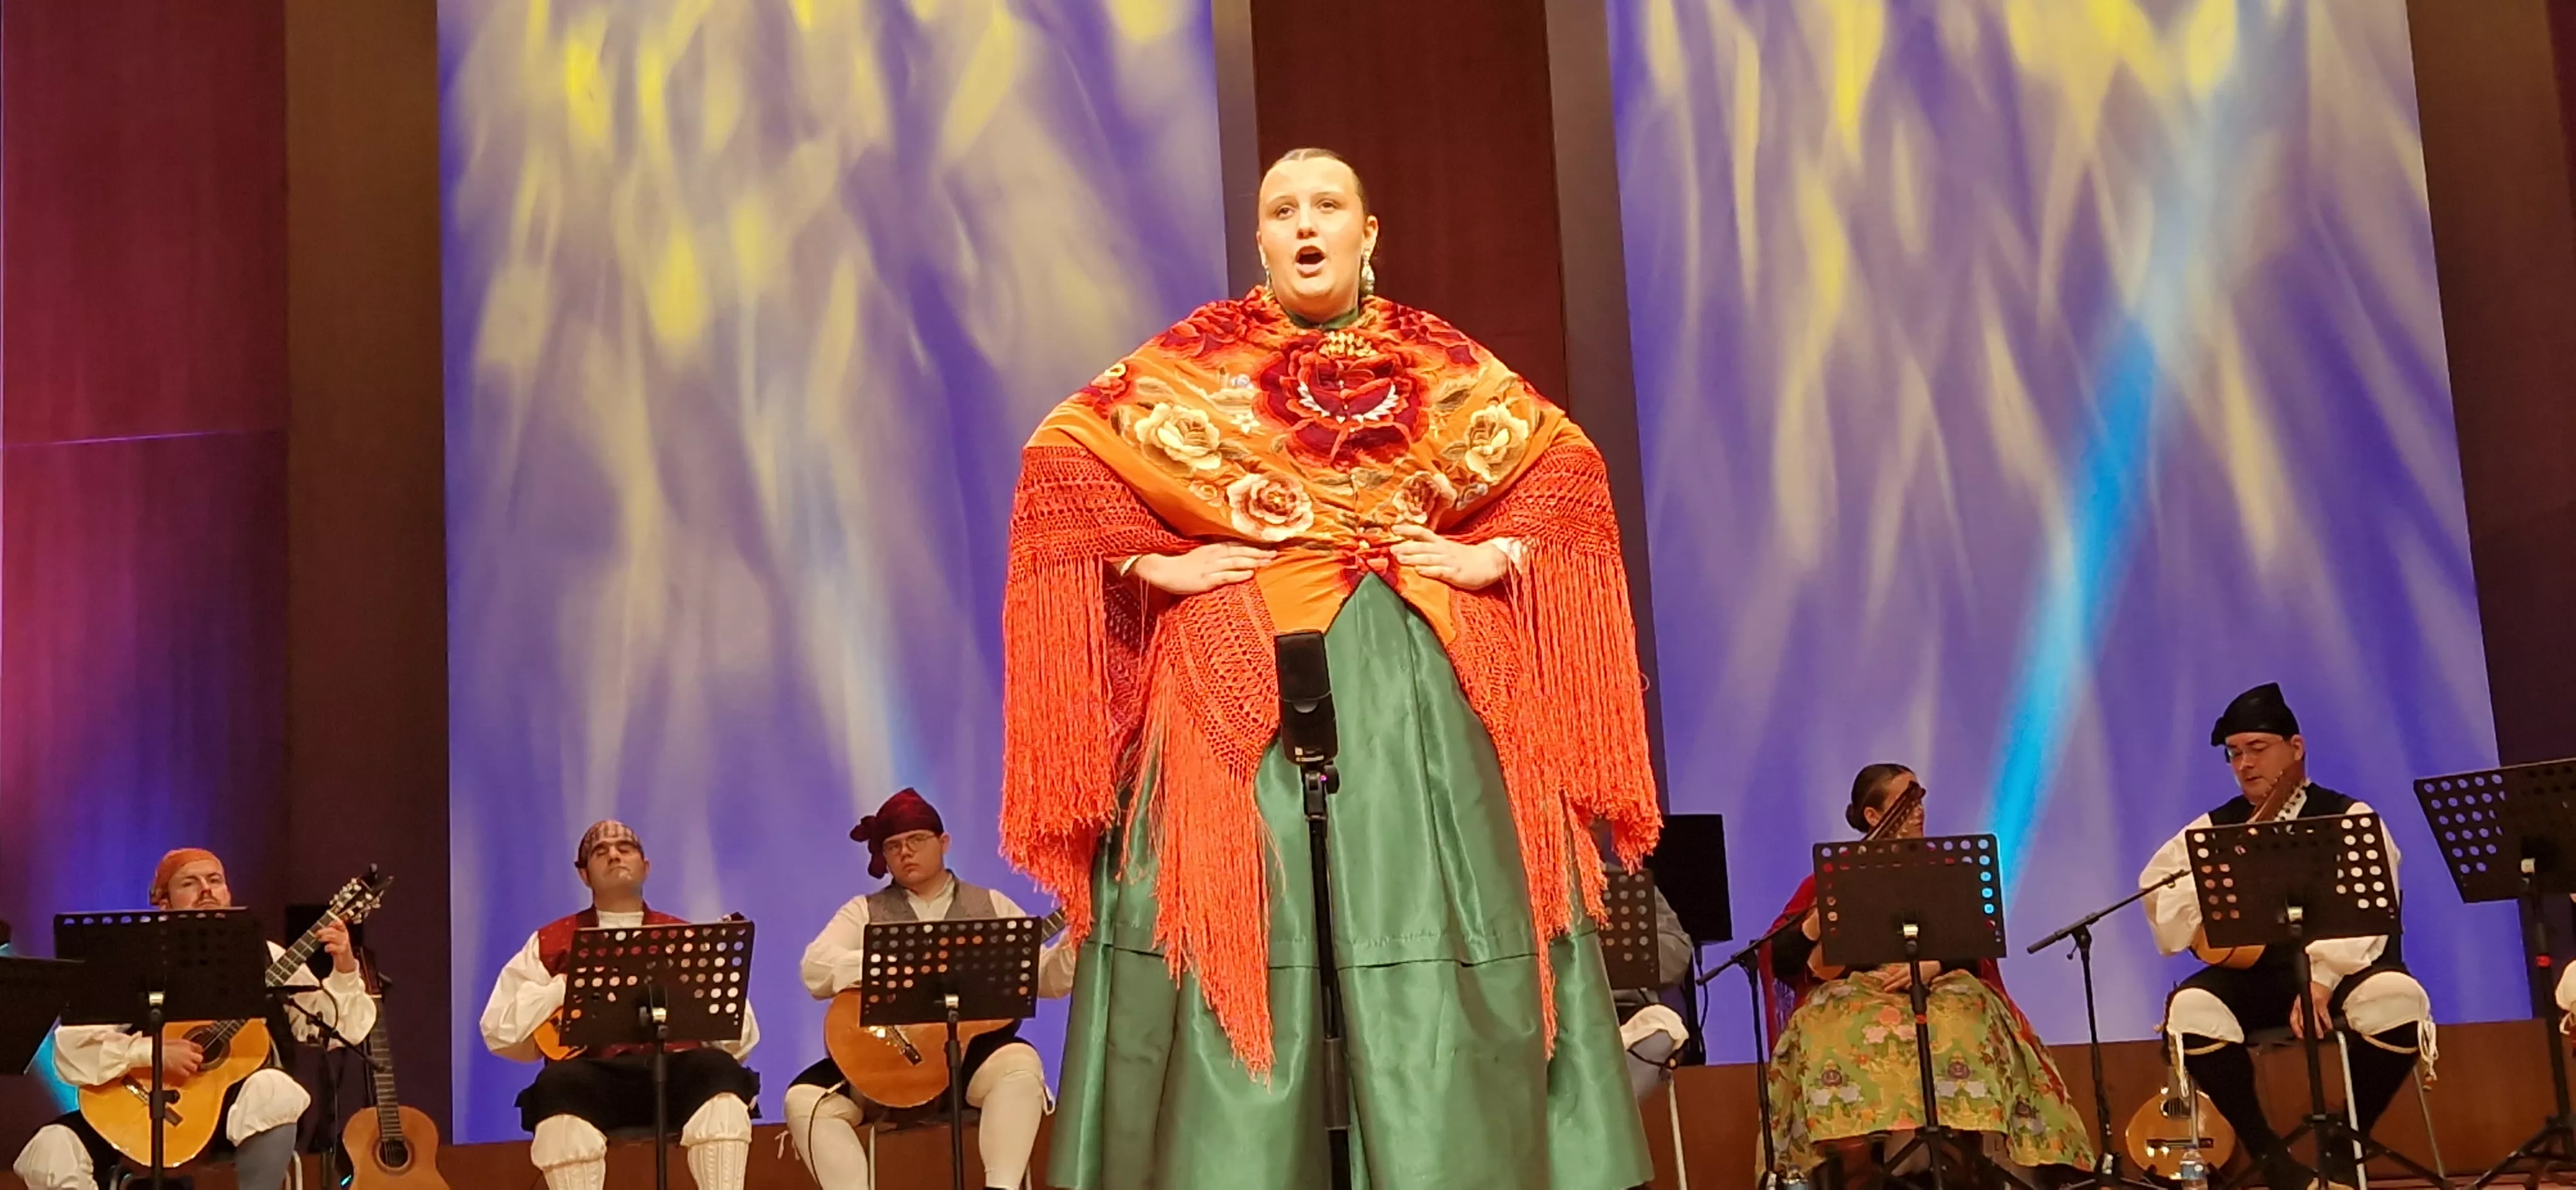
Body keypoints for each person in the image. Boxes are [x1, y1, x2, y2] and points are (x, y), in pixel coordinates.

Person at [1000, 146, 1662, 1189]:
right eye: (1284, 210)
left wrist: (1500, 552)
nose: (1307, 225)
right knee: (1237, 930)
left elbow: (1563, 458)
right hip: (1244, 671)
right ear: (1259, 238)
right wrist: (1156, 563)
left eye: (1328, 206)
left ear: (1369, 231)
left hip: (1409, 676)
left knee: (1432, 912)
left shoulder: (1435, 355)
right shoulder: (1200, 356)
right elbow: (1060, 455)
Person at [2137, 683, 2434, 1190]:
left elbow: (2371, 914)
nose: (2245, 764)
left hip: (2344, 974)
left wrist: (2320, 978)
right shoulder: (2215, 829)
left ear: (2295, 748)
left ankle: (2343, 1146)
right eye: (2235, 754)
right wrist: (2217, 874)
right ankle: (2273, 1160)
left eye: (2258, 748)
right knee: (2189, 1013)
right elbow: (2158, 893)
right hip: (2262, 978)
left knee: (2400, 1001)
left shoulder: (2350, 818)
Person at [1761, 765, 2092, 1185]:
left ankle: (1964, 1163)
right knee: (1830, 1029)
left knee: (1964, 1022)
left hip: (1939, 981)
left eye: (1920, 800)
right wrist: (1815, 921)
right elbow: (1782, 957)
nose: (1919, 812)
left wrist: (1934, 964)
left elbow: (1977, 943)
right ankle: (1857, 1170)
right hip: (1858, 990)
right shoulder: (1833, 877)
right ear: (1873, 817)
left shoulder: (1946, 868)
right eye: (1907, 801)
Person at [12, 849, 374, 1190]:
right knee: (52, 1147)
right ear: (164, 902)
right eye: (190, 883)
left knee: (274, 1089)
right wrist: (151, 1053)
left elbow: (341, 1032)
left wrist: (344, 969)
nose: (206, 890)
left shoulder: (267, 958)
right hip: (136, 1112)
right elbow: (72, 1052)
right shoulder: (133, 962)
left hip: (228, 1119)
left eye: (215, 880)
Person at [782, 789, 1077, 1189]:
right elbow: (814, 969)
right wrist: (891, 967)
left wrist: (1076, 938)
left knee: (1021, 1068)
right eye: (893, 846)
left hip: (970, 1060)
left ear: (944, 843)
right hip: (890, 1060)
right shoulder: (864, 912)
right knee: (804, 1102)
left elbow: (1046, 979)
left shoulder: (990, 904)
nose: (906, 852)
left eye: (917, 840)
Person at [480, 820, 761, 1190]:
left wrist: (698, 988)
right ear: (583, 875)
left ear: (646, 866)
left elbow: (741, 1040)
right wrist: (564, 987)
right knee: (557, 1084)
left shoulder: (685, 937)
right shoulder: (551, 942)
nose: (614, 854)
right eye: (600, 852)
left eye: (625, 848)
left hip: (675, 1075)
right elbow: (498, 1031)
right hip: (595, 1080)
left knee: (718, 1070)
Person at [1616, 886, 1694, 1100]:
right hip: (1544, 1013)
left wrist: (1633, 947)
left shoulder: (1625, 884)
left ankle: (1605, 1122)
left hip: (1621, 1010)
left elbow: (1678, 953)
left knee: (1664, 1028)